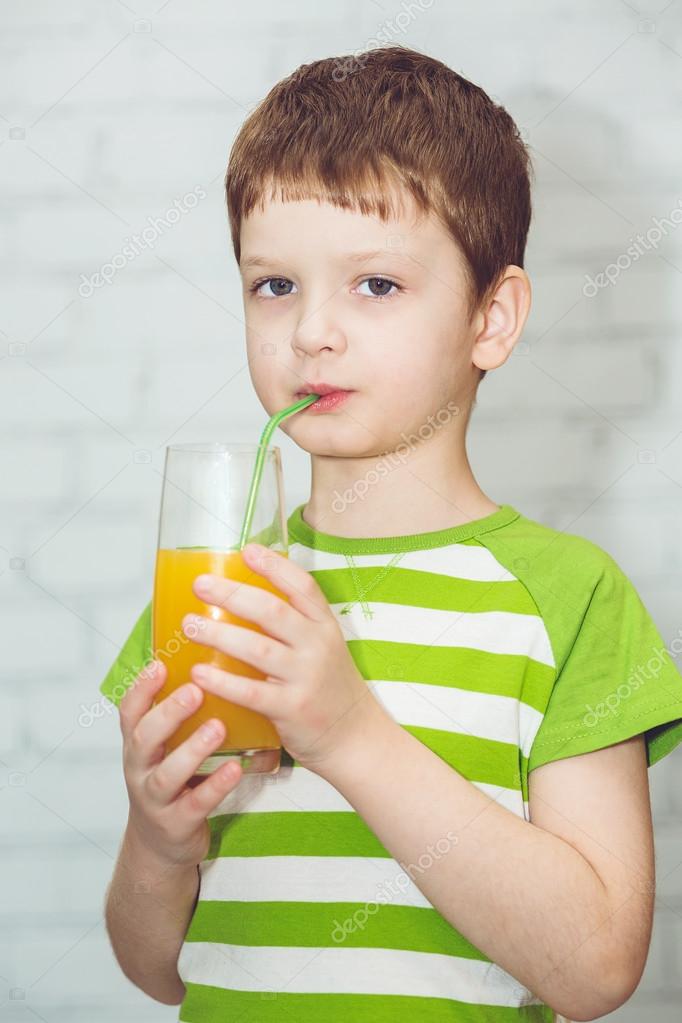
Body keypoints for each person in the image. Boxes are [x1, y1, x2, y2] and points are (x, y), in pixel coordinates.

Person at [99, 44, 682, 1022]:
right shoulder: (220, 596)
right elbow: (156, 967)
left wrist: (351, 736)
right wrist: (158, 845)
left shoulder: (572, 597)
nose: (310, 332)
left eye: (375, 285)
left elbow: (595, 972)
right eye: (273, 285)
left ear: (490, 318)